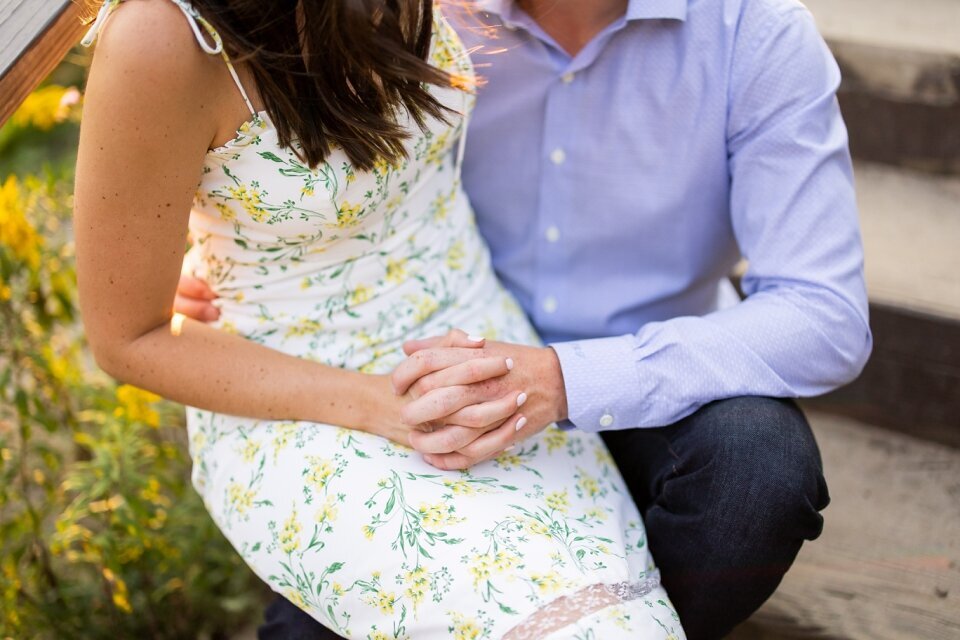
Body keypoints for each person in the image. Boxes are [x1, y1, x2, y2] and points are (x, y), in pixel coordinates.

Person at [177, 0, 871, 638]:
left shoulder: (755, 32)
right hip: (439, 379)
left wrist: (566, 380)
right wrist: (226, 249)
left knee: (759, 472)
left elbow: (825, 316)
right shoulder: (421, 10)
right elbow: (308, 160)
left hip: (655, 382)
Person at [75, 0, 686, 638]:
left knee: (620, 614)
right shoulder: (161, 36)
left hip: (483, 347)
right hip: (298, 402)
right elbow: (128, 337)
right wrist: (386, 405)